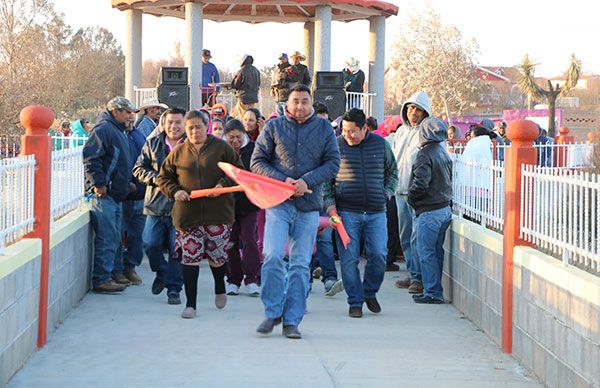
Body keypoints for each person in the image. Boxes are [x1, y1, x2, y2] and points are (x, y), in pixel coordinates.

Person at [251, 84, 340, 339]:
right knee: (272, 256)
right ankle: (272, 311)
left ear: (311, 103)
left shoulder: (324, 128)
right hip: (279, 204)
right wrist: (284, 181)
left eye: (304, 101)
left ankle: (292, 321)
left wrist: (306, 182)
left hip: (309, 208)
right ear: (287, 103)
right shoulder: (274, 127)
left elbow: (333, 163)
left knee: (301, 265)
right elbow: (257, 162)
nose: (300, 106)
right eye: (295, 101)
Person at [157, 110, 245, 319]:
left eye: (198, 127)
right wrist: (175, 191)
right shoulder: (178, 152)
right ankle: (191, 304)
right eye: (190, 128)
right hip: (188, 214)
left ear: (207, 126)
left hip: (218, 213)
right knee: (190, 258)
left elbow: (238, 171)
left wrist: (222, 185)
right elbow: (163, 178)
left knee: (217, 257)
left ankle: (219, 287)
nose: (195, 131)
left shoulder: (222, 148)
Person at [324, 108, 398, 318]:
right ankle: (355, 302)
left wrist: (387, 193)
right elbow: (326, 182)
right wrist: (330, 205)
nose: (348, 135)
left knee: (379, 255)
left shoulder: (381, 145)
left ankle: (369, 292)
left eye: (352, 131)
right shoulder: (336, 146)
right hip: (346, 213)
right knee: (349, 260)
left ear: (365, 128)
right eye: (344, 131)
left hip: (376, 212)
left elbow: (393, 172)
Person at [83, 97, 137, 293]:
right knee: (107, 237)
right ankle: (102, 279)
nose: (130, 116)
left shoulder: (117, 130)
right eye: (127, 112)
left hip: (115, 194)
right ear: (116, 112)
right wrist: (99, 184)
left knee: (113, 237)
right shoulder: (104, 130)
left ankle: (112, 274)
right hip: (105, 195)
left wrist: (125, 183)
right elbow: (91, 158)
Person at [133, 107, 186, 305]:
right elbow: (138, 169)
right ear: (163, 124)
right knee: (150, 244)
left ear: (184, 124)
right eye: (170, 122)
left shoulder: (191, 146)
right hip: (155, 204)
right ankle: (161, 271)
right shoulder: (152, 143)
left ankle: (174, 290)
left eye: (178, 122)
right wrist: (158, 179)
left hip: (181, 207)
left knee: (176, 249)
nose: (173, 126)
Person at [408, 117, 453, 304]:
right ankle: (433, 289)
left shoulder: (425, 154)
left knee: (425, 252)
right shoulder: (442, 152)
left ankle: (432, 291)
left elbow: (421, 183)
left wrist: (412, 198)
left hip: (430, 210)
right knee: (436, 251)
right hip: (444, 208)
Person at [391, 91, 431, 294]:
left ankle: (419, 278)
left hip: (417, 193)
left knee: (417, 237)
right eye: (411, 108)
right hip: (399, 190)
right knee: (405, 236)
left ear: (425, 113)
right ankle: (413, 273)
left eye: (418, 109)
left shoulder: (427, 132)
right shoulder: (401, 132)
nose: (414, 112)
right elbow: (393, 160)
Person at [222, 119, 261, 297]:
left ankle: (251, 278)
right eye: (231, 138)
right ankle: (233, 279)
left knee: (250, 241)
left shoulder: (253, 149)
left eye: (238, 137)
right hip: (227, 204)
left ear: (244, 135)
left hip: (249, 203)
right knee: (230, 242)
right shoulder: (220, 150)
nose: (235, 141)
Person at [112, 111, 148, 287]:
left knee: (137, 237)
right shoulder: (115, 135)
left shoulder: (138, 135)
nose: (130, 119)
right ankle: (117, 271)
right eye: (127, 115)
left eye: (132, 116)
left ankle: (130, 267)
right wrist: (125, 184)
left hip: (141, 195)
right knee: (119, 235)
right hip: (123, 196)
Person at [231, 54, 260, 120]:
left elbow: (235, 84)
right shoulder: (256, 70)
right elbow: (259, 83)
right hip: (253, 97)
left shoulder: (242, 71)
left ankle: (243, 128)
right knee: (251, 115)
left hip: (243, 98)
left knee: (241, 115)